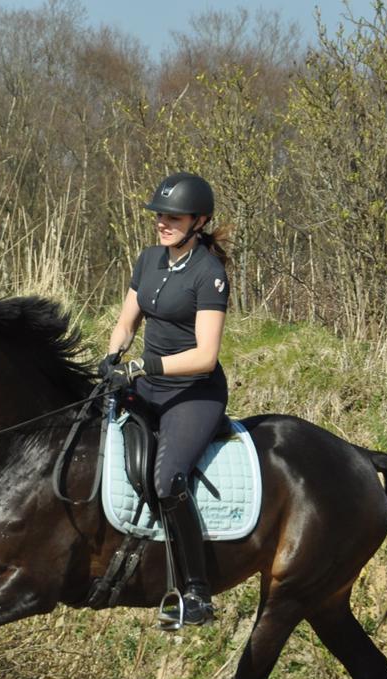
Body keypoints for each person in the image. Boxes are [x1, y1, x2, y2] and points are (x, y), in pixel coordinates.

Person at [100, 171, 231, 627]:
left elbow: (206, 357)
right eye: (159, 215)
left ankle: (197, 594)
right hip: (147, 384)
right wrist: (113, 354)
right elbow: (127, 321)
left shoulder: (209, 275)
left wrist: (145, 367)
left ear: (199, 220)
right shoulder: (149, 259)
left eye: (173, 216)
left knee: (168, 478)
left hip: (193, 393)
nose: (163, 222)